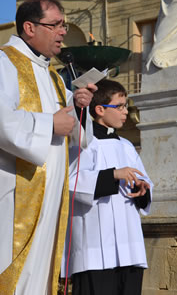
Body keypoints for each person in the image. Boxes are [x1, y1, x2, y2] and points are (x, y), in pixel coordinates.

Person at [0, 0, 97, 295]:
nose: (63, 32)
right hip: (10, 194)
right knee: (3, 269)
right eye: (55, 25)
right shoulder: (0, 62)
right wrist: (49, 124)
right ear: (29, 27)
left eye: (63, 25)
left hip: (48, 196)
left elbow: (81, 136)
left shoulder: (54, 77)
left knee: (39, 275)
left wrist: (80, 106)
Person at [61, 80, 154, 295]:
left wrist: (143, 188)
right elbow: (71, 183)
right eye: (119, 106)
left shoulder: (127, 146)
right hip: (94, 248)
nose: (125, 112)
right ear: (100, 110)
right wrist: (112, 175)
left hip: (129, 246)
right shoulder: (83, 144)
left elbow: (146, 183)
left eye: (126, 106)